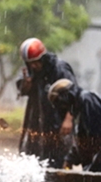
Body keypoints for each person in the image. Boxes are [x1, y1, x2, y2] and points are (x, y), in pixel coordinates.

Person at [17, 38, 77, 168]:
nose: (33, 66)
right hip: (38, 125)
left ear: (42, 58)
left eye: (35, 62)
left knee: (56, 162)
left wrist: (68, 119)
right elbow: (23, 90)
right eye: (30, 63)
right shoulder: (32, 72)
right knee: (33, 162)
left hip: (58, 124)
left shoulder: (59, 68)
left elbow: (74, 94)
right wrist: (27, 84)